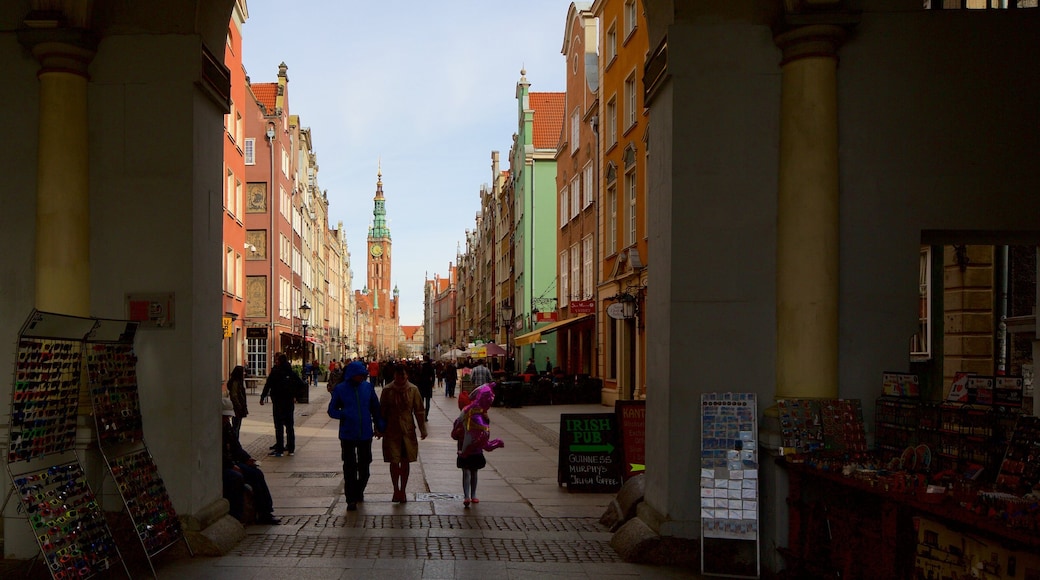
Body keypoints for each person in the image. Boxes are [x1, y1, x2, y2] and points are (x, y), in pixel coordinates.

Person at [328, 360, 384, 511]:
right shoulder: (341, 389)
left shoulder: (367, 387)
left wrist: (380, 426)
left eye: (363, 376)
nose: (362, 378)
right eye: (359, 376)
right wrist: (343, 414)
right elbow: (331, 410)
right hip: (347, 434)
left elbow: (375, 408)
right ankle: (350, 498)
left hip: (365, 433)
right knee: (350, 467)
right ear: (352, 375)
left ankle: (359, 490)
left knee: (365, 465)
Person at [221, 397, 280, 525]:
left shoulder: (227, 427)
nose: (227, 419)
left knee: (256, 473)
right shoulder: (214, 430)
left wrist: (247, 458)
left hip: (231, 462)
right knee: (235, 478)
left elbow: (236, 447)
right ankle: (236, 516)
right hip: (222, 466)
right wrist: (231, 465)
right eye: (225, 417)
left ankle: (265, 512)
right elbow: (217, 453)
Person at [379, 364, 428, 503]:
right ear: (394, 375)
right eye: (398, 375)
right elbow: (382, 411)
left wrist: (422, 429)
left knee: (405, 461)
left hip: (407, 431)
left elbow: (419, 411)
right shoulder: (387, 390)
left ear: (407, 375)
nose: (400, 378)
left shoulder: (413, 389)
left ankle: (403, 490)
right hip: (391, 430)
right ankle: (395, 489)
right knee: (394, 461)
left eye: (403, 375)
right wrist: (379, 428)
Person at [451, 384, 504, 508]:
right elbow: (453, 434)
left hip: (476, 450)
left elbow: (485, 429)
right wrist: (458, 433)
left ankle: (473, 494)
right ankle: (466, 496)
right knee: (467, 473)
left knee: (473, 472)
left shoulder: (480, 415)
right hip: (464, 450)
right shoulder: (460, 419)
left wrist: (486, 419)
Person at [259, 353, 306, 457]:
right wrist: (295, 395)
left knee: (279, 426)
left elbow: (268, 385)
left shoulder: (275, 372)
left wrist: (263, 397)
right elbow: (301, 385)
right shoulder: (291, 372)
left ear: (279, 361)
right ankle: (291, 448)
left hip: (278, 402)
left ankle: (279, 449)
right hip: (288, 402)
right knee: (289, 426)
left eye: (277, 360)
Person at [226, 365, 248, 440]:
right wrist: (239, 405)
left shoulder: (238, 382)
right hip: (237, 407)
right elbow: (234, 395)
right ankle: (235, 443)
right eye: (243, 372)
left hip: (238, 406)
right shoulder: (236, 382)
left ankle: (235, 442)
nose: (244, 373)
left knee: (236, 426)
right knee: (236, 427)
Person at [417, 355, 436, 421]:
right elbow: (433, 376)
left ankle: (422, 414)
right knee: (428, 401)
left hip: (421, 386)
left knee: (421, 401)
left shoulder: (421, 366)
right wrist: (432, 384)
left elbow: (418, 376)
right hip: (428, 385)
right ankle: (426, 416)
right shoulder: (431, 366)